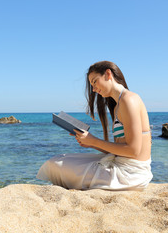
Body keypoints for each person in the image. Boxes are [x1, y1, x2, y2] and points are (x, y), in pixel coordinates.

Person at [37, 61, 153, 191]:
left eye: (94, 81)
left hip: (130, 175)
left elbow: (133, 150)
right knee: (59, 159)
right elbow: (121, 151)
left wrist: (94, 141)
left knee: (56, 164)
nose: (93, 89)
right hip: (122, 165)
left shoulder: (129, 100)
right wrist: (90, 143)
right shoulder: (118, 105)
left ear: (108, 74)